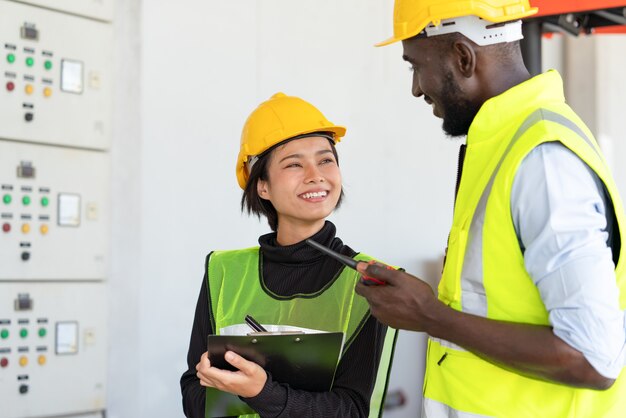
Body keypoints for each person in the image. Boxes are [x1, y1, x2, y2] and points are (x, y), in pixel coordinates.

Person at [354, 1, 626, 417]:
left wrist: (430, 315)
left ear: (462, 57)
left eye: (415, 65)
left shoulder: (543, 162)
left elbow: (591, 357)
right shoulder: (506, 144)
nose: (416, 87)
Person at [180, 92, 397, 418]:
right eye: (294, 163)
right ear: (262, 186)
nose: (316, 175)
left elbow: (353, 411)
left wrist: (261, 392)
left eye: (326, 160)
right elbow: (194, 395)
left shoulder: (372, 282)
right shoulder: (223, 270)